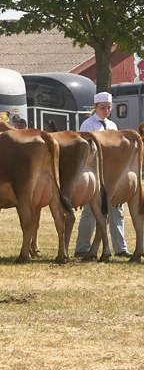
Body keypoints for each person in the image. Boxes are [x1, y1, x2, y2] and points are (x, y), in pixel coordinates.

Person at [75, 92, 129, 258]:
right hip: (95, 172)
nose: (106, 111)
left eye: (108, 108)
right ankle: (82, 247)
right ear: (95, 107)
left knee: (116, 210)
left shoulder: (112, 125)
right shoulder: (88, 125)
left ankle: (120, 248)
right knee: (90, 211)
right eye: (102, 107)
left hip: (112, 173)